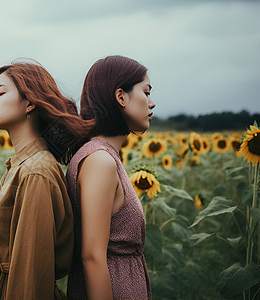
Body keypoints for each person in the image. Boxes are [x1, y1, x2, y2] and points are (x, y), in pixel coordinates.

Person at [0, 59, 91, 300]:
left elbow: (31, 276)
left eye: (1, 93)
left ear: (30, 103)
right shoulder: (22, 165)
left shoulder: (36, 172)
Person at [66, 55, 155, 300]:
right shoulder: (100, 161)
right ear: (121, 96)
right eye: (146, 92)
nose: (152, 103)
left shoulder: (104, 156)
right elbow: (92, 256)